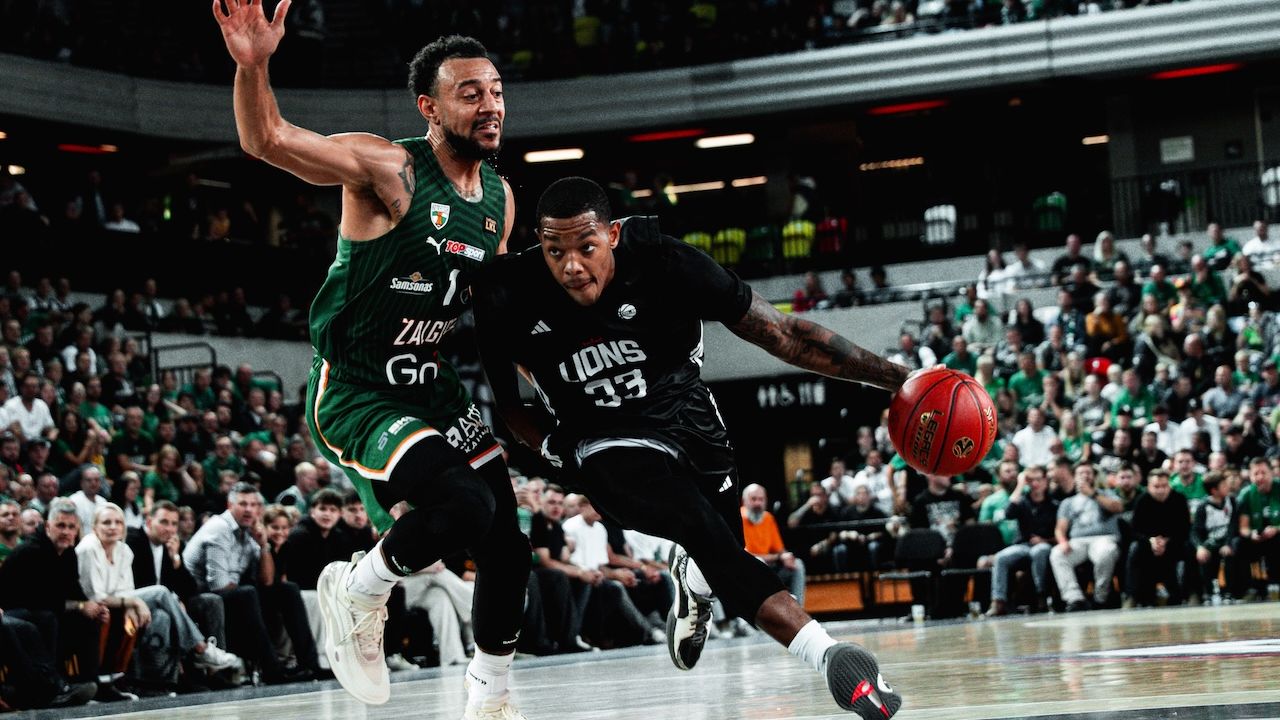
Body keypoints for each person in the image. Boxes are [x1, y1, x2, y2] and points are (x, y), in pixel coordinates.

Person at [472, 177, 905, 718]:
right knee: (702, 530)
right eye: (555, 251)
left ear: (613, 234)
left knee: (721, 546)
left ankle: (694, 581)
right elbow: (510, 408)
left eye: (586, 247)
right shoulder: (507, 292)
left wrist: (901, 380)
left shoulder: (664, 260)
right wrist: (559, 449)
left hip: (687, 417)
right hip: (603, 440)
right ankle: (830, 655)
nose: (572, 266)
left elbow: (783, 334)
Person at [212, 0, 523, 710]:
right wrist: (253, 66)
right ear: (430, 108)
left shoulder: (500, 200)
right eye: (470, 93)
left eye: (497, 91)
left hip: (433, 387)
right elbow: (267, 139)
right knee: (465, 507)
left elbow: (500, 314)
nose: (490, 105)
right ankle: (359, 587)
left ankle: (491, 696)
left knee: (507, 542)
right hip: (359, 389)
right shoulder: (389, 169)